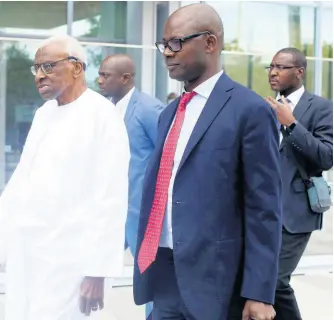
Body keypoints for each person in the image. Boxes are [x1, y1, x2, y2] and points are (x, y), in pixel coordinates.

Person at [133, 3, 282, 320]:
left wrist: (259, 293)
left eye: (176, 43)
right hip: (164, 274)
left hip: (216, 282)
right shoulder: (169, 114)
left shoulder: (249, 110)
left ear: (210, 43)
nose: (167, 53)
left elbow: (264, 208)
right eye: (164, 45)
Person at [0, 35, 130, 320]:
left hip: (70, 260)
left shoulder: (102, 115)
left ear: (76, 68)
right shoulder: (43, 114)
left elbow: (111, 196)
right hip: (29, 253)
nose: (40, 75)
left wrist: (97, 272)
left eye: (47, 65)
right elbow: (22, 182)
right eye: (36, 68)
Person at [265, 48, 333, 320]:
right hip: (263, 210)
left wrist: (291, 124)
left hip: (296, 212)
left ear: (299, 72)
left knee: (277, 281)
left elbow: (326, 157)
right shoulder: (264, 107)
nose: (273, 72)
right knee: (257, 281)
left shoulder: (320, 107)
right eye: (270, 66)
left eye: (281, 67)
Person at [98, 54, 164, 320]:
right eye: (100, 74)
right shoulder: (105, 109)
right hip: (112, 211)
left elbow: (167, 160)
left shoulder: (150, 110)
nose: (99, 80)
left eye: (105, 75)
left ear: (125, 78)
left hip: (141, 214)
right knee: (91, 267)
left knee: (150, 279)